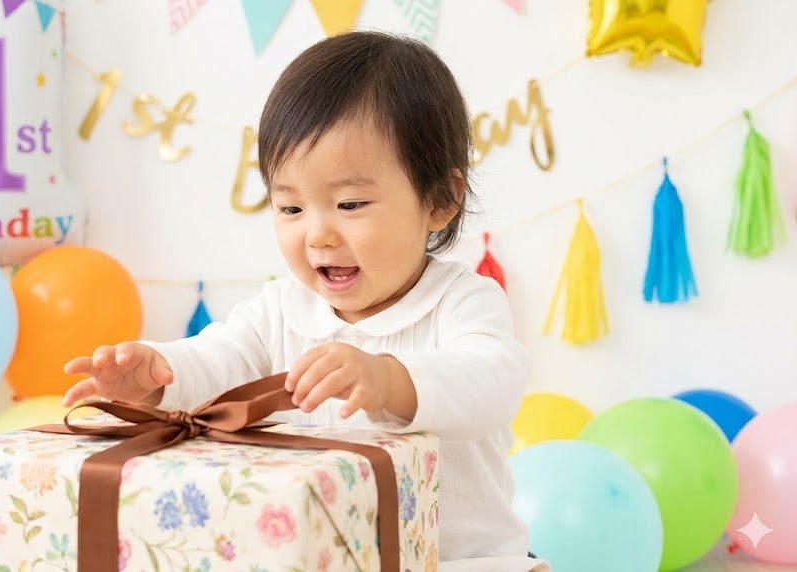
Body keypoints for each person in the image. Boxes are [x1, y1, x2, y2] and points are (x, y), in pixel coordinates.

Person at [62, 31, 547, 572]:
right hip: (332, 555)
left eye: (349, 203)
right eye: (290, 208)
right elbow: (222, 359)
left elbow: (490, 381)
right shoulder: (281, 309)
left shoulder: (462, 301)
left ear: (440, 200)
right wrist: (160, 371)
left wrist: (389, 379)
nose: (317, 234)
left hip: (459, 558)